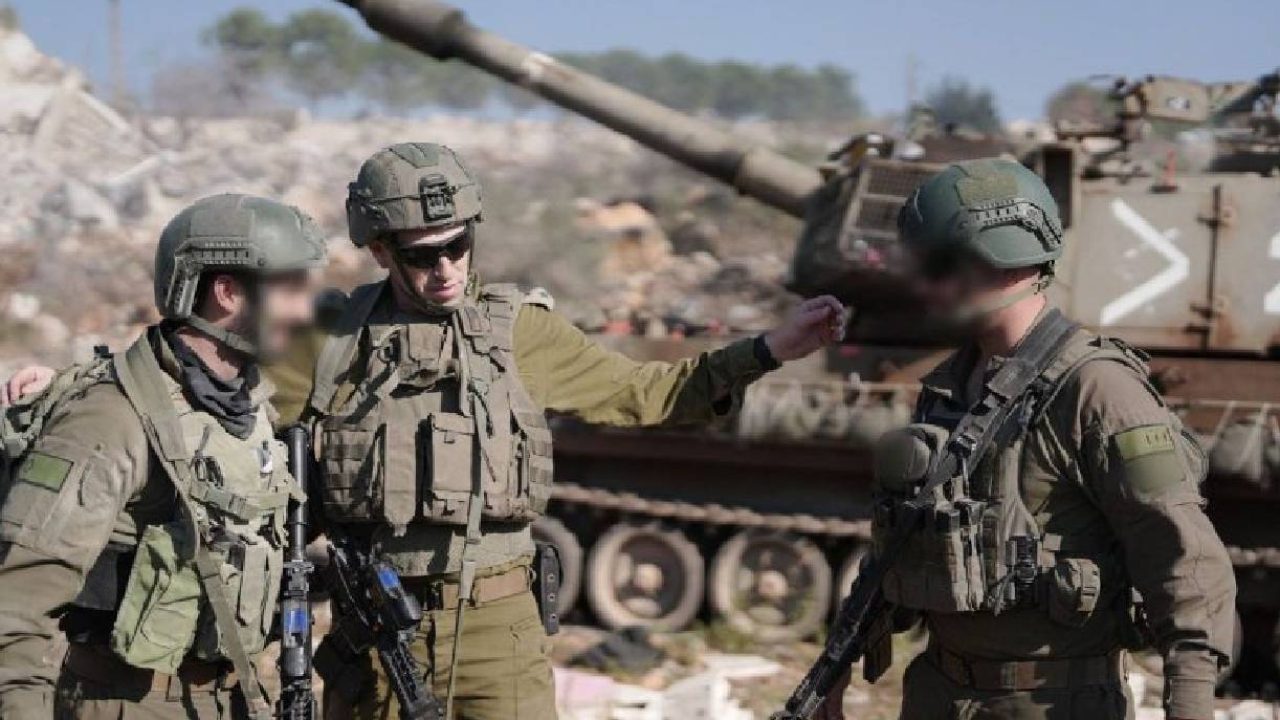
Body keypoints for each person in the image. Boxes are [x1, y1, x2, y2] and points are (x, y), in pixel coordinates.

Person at [264, 141, 844, 720]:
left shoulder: (520, 332)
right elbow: (247, 443)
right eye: (422, 256)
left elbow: (647, 393)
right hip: (373, 627)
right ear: (379, 250)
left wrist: (767, 351)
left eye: (458, 245)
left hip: (499, 631)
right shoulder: (328, 341)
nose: (446, 269)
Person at [815, 159, 1236, 720]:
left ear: (999, 257)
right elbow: (897, 542)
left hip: (1052, 704)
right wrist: (834, 670)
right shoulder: (948, 386)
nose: (918, 284)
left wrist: (1189, 707)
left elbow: (1185, 562)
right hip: (939, 695)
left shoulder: (1098, 391)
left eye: (936, 264)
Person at [0, 194, 327, 720]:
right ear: (226, 292)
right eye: (290, 289)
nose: (305, 311)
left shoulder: (246, 406)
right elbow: (16, 606)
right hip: (126, 701)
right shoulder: (111, 419)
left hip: (229, 695)